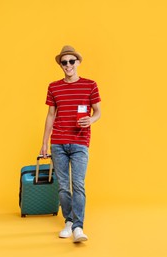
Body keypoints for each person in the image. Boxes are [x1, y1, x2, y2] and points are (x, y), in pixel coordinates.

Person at [39, 45, 101, 243]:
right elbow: (50, 116)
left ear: (78, 62)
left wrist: (91, 120)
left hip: (80, 142)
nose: (68, 65)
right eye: (64, 62)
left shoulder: (90, 85)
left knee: (78, 184)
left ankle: (78, 227)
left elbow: (98, 112)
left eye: (71, 61)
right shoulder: (54, 87)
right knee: (63, 186)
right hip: (58, 142)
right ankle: (68, 221)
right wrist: (44, 144)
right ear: (61, 65)